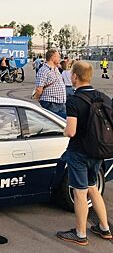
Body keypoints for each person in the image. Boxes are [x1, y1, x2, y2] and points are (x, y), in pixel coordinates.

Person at [57, 61, 112, 246]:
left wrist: (64, 130)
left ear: (75, 77)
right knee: (92, 188)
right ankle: (104, 228)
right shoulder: (102, 97)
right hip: (98, 151)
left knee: (80, 193)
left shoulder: (74, 100)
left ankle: (80, 234)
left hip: (79, 152)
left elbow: (71, 131)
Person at [33, 49, 66, 119]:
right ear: (52, 58)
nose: (60, 58)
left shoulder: (56, 69)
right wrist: (39, 99)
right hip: (51, 103)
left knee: (62, 123)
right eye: (58, 57)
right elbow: (39, 88)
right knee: (55, 123)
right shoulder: (44, 70)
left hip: (60, 102)